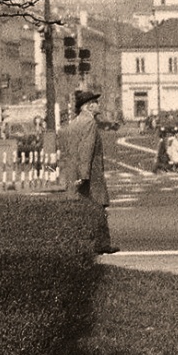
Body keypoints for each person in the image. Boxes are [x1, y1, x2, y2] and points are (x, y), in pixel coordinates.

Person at [58, 89, 117, 254]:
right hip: (91, 175)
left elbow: (68, 151)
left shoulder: (74, 123)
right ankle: (101, 244)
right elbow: (86, 150)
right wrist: (84, 176)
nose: (98, 105)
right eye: (96, 102)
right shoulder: (89, 123)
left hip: (73, 173)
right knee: (98, 208)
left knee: (83, 209)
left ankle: (90, 244)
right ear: (89, 106)